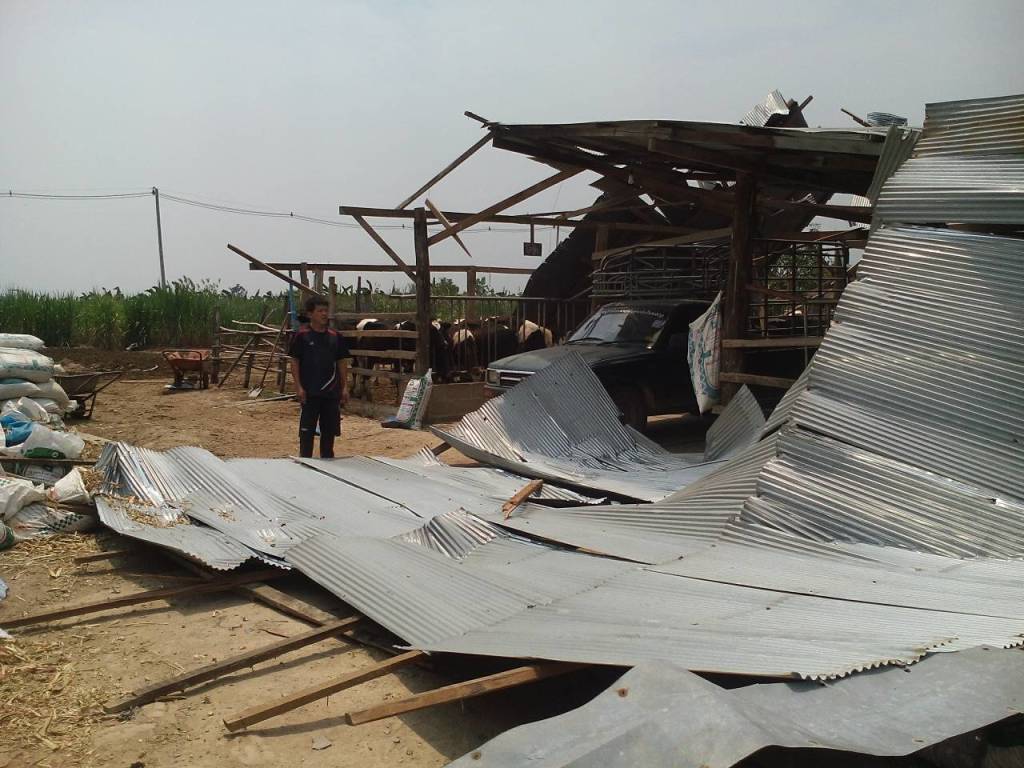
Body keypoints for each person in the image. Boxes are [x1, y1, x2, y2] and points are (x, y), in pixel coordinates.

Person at [288, 295, 350, 458]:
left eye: (326, 311)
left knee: (328, 434)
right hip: (309, 393)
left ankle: (327, 463)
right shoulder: (301, 336)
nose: (324, 314)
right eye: (320, 311)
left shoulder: (335, 337)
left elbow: (342, 363)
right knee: (307, 434)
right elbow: (294, 362)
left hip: (331, 393)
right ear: (310, 314)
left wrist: (344, 387)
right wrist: (298, 387)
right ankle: (305, 462)